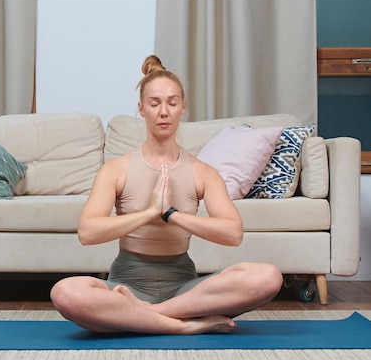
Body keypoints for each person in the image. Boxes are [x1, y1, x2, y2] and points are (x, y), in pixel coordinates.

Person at [50, 55, 283, 335]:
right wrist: (149, 213)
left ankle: (148, 316)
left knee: (268, 276)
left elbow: (232, 233)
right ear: (141, 109)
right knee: (66, 292)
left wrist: (172, 214)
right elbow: (87, 232)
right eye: (154, 103)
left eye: (172, 103)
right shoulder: (116, 169)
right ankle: (184, 327)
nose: (164, 112)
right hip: (125, 285)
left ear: (183, 107)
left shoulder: (202, 172)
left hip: (186, 289)